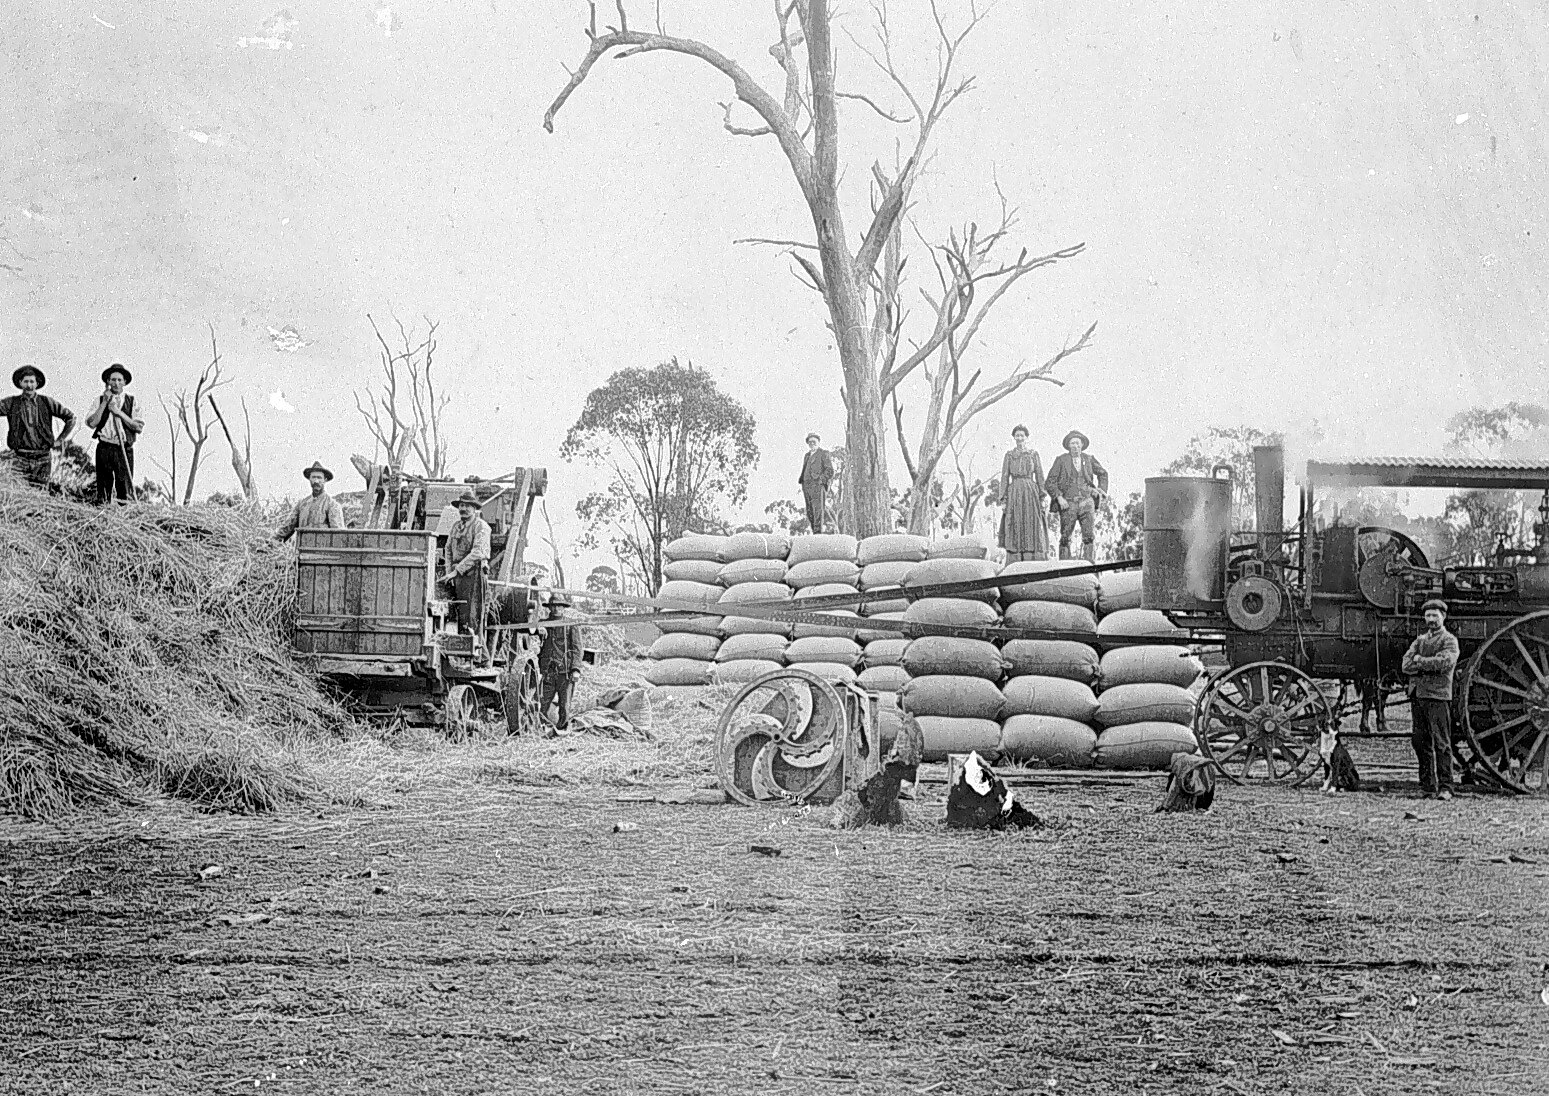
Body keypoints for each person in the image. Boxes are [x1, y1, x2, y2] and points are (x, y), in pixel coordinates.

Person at [1401, 598, 1460, 801]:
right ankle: (1427, 786)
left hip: (1438, 696)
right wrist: (1424, 663)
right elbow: (1405, 665)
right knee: (1420, 742)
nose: (1431, 619)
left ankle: (1446, 787)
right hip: (1419, 695)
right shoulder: (1420, 640)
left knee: (1441, 743)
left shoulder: (1449, 640)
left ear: (1443, 617)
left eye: (1435, 615)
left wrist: (1419, 661)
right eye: (1428, 616)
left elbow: (1445, 663)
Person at [0, 365, 76, 489]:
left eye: (32, 381)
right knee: (18, 492)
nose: (29, 385)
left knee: (41, 493)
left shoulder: (47, 402)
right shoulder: (11, 403)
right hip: (19, 458)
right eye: (26, 381)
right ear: (20, 383)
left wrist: (60, 440)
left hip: (43, 458)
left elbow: (71, 418)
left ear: (37, 383)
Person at [1045, 429, 1108, 562]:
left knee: (1089, 537)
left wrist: (1100, 490)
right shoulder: (1061, 460)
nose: (1075, 446)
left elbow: (1103, 473)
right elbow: (1050, 481)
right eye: (1072, 443)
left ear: (1082, 445)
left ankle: (1090, 567)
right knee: (1065, 538)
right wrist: (1059, 497)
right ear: (1068, 445)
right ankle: (1064, 570)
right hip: (1068, 504)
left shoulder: (1088, 459)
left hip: (1087, 502)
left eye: (1078, 443)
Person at [84, 364, 144, 504]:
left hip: (123, 449)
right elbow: (91, 423)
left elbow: (138, 427)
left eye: (119, 380)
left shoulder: (132, 401)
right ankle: (103, 510)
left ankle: (123, 512)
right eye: (113, 380)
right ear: (108, 382)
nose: (116, 383)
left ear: (124, 382)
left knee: (124, 487)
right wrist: (104, 403)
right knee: (103, 488)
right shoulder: (99, 400)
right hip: (104, 447)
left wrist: (118, 412)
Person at [439, 492, 490, 634]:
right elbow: (448, 549)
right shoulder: (455, 526)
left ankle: (476, 646)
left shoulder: (481, 526)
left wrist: (456, 571)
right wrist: (450, 572)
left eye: (468, 506)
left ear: (474, 508)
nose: (464, 509)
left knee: (472, 617)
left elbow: (478, 552)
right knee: (458, 615)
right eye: (461, 505)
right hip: (458, 578)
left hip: (474, 577)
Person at [998, 424, 1049, 561]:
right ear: (1014, 437)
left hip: (1030, 491)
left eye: (1022, 435)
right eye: (1017, 435)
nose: (1019, 438)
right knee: (1014, 521)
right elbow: (1004, 477)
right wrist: (1003, 499)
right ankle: (1015, 558)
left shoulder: (1033, 454)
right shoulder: (1009, 455)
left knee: (1032, 520)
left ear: (1026, 437)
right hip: (1014, 491)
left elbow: (1040, 475)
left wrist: (1043, 496)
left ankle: (1033, 557)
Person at [538, 595, 587, 732]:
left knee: (565, 706)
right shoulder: (542, 624)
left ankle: (562, 730)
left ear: (563, 608)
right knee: (542, 703)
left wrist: (576, 669)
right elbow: (532, 637)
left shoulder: (571, 625)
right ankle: (542, 728)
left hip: (565, 672)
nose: (556, 609)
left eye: (559, 606)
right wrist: (537, 630)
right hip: (548, 671)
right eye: (553, 606)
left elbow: (577, 648)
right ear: (549, 608)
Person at [277, 462, 347, 540]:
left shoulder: (332, 505)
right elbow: (286, 529)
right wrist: (270, 542)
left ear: (325, 480)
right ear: (309, 479)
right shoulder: (302, 504)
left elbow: (339, 535)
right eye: (313, 477)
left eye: (319, 478)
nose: (316, 481)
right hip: (302, 547)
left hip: (322, 547)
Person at [797, 432, 835, 534]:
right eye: (810, 442)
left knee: (817, 508)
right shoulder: (807, 456)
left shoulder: (823, 453)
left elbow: (830, 470)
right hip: (806, 484)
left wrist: (821, 480)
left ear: (818, 442)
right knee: (809, 509)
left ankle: (818, 532)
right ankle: (814, 531)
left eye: (814, 441)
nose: (812, 444)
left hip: (817, 485)